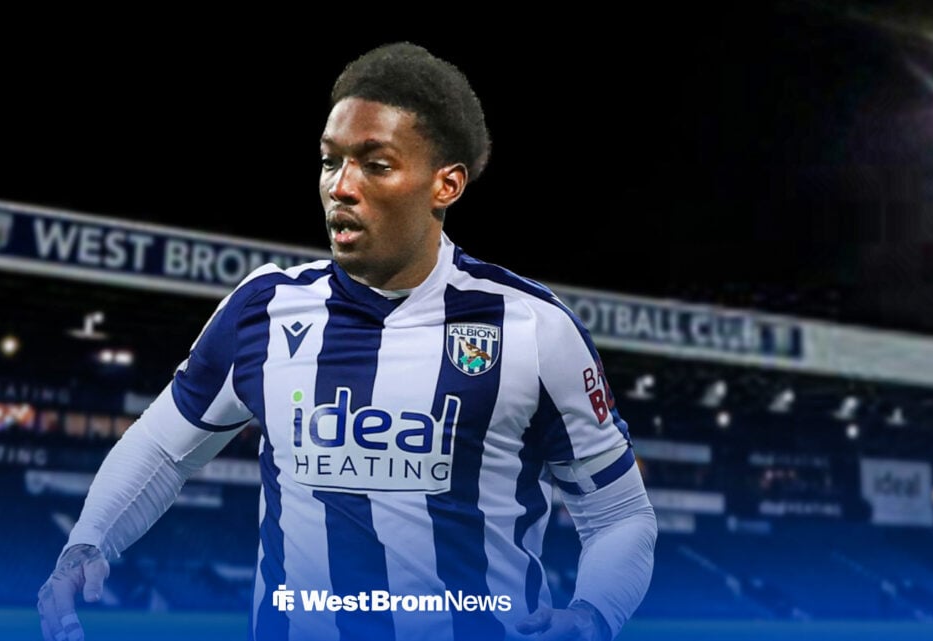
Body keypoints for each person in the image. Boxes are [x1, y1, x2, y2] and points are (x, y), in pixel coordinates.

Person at [38, 41, 657, 641]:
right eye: (331, 160)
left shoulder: (531, 328)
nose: (341, 186)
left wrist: (593, 614)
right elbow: (162, 449)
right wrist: (86, 547)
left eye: (376, 164)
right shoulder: (264, 308)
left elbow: (620, 514)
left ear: (446, 185)